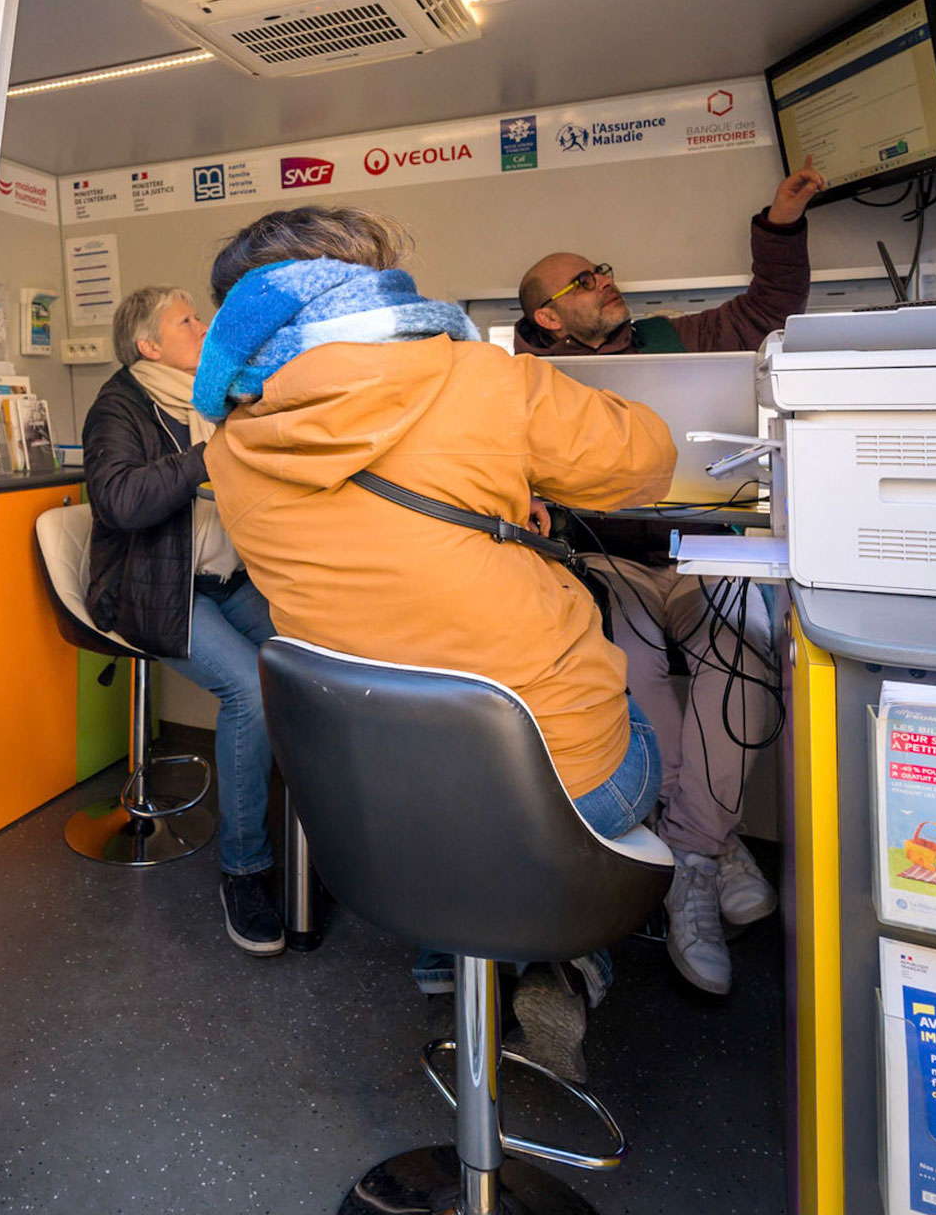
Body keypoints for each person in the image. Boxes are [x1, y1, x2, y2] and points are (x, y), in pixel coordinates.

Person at [191, 205, 677, 1082]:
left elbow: (369, 548)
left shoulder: (228, 446)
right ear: (370, 282)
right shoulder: (478, 377)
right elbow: (648, 459)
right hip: (557, 790)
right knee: (636, 733)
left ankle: (453, 952)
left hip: (373, 809)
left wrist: (490, 500)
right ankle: (558, 960)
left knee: (460, 839)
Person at [510, 160, 825, 995]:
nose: (606, 281)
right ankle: (709, 854)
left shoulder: (668, 339)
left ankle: (689, 853)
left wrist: (782, 225)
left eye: (604, 268)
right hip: (605, 565)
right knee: (634, 673)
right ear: (548, 313)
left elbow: (767, 311)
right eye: (585, 279)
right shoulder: (524, 383)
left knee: (747, 655)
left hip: (699, 552)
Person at [83, 285, 283, 957]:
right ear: (150, 346)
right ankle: (245, 871)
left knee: (317, 655)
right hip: (150, 589)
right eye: (188, 320)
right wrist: (208, 458)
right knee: (251, 692)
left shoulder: (210, 400)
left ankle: (328, 837)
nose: (203, 325)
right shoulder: (121, 405)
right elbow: (118, 500)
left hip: (225, 581)